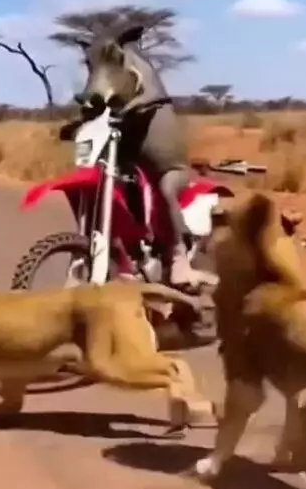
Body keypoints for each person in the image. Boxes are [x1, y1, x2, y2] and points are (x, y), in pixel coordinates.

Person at [73, 24, 216, 290]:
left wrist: (127, 110)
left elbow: (150, 98)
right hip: (129, 163)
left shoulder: (140, 71)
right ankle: (120, 256)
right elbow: (95, 101)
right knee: (104, 188)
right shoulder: (112, 76)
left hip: (168, 167)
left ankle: (178, 258)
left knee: (166, 189)